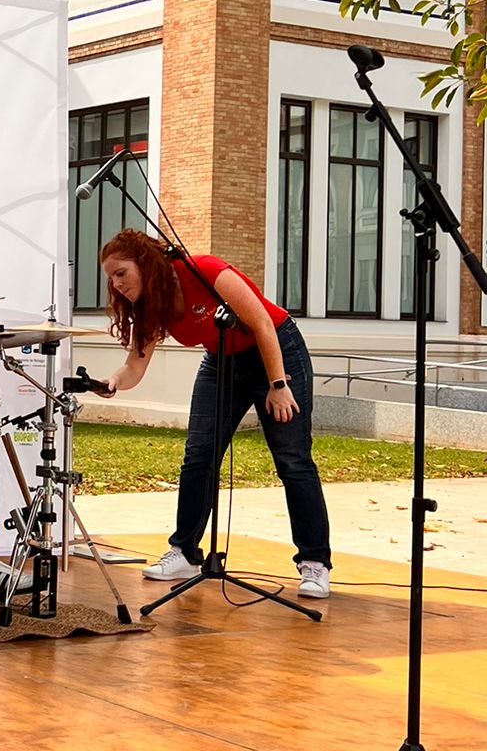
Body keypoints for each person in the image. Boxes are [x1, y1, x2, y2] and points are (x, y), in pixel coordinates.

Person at [97, 228, 333, 599]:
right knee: (199, 455)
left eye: (121, 272)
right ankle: (185, 552)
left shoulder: (205, 271)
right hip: (222, 359)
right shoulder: (150, 305)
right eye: (110, 277)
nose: (116, 283)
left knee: (293, 460)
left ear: (144, 263)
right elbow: (135, 366)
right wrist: (112, 380)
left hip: (275, 350)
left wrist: (278, 385)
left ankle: (315, 562)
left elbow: (262, 323)